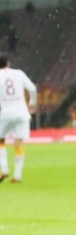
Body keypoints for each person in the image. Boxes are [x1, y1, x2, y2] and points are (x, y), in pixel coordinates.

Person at [0, 55, 36, 183]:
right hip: (22, 112)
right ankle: (17, 175)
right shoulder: (19, 73)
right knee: (18, 143)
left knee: (1, 141)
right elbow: (32, 88)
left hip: (6, 112)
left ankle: (4, 169)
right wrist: (32, 103)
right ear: (8, 63)